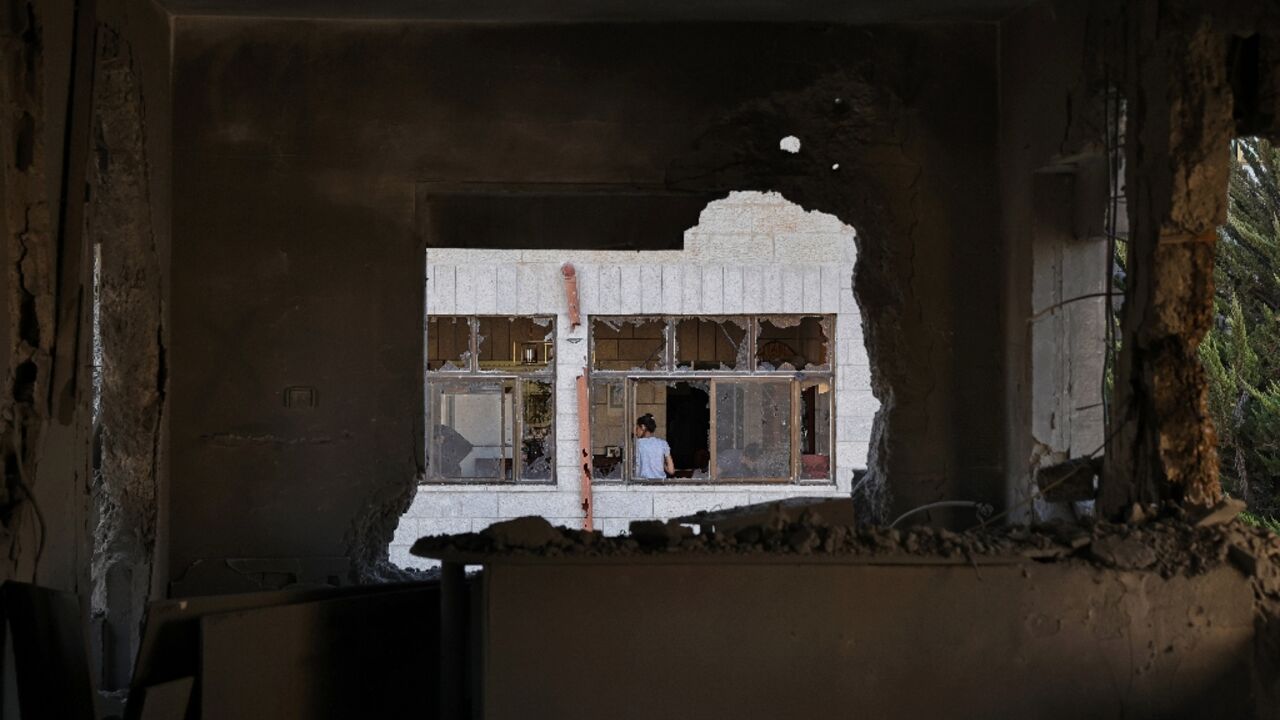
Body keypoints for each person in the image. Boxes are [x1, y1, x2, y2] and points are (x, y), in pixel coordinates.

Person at [633, 413, 675, 479]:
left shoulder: (636, 444)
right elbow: (671, 471)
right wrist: (661, 464)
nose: (635, 432)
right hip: (660, 485)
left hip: (642, 485)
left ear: (643, 427)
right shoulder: (663, 444)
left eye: (637, 428)